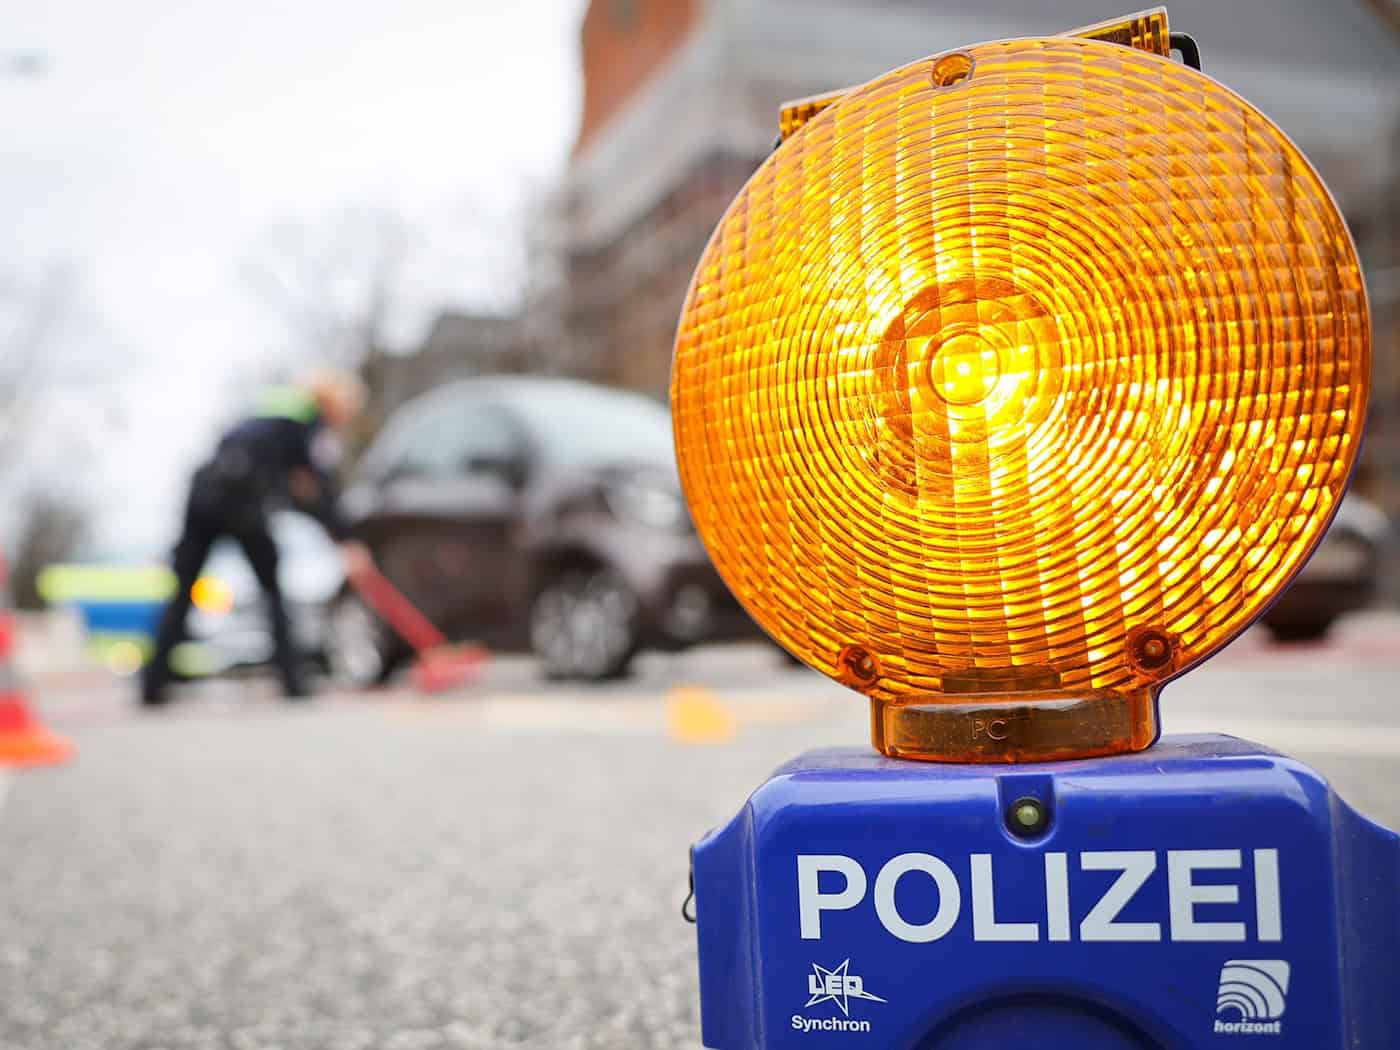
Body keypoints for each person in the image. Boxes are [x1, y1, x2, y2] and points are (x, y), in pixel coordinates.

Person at [140, 370, 373, 705]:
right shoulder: (306, 422)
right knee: (272, 590)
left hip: (204, 494)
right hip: (242, 504)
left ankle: (152, 686)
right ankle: (294, 683)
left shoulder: (274, 406)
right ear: (333, 402)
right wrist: (346, 540)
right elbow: (316, 487)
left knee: (183, 591)